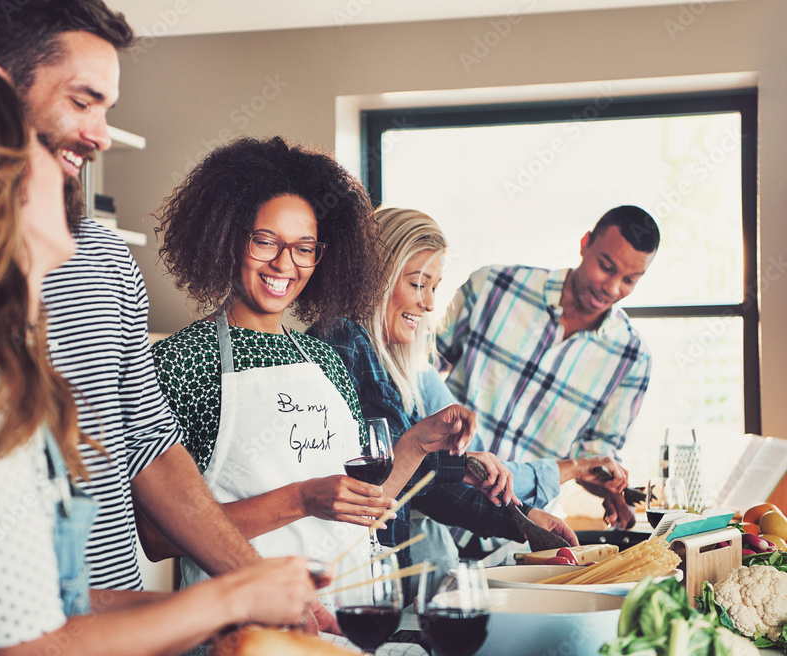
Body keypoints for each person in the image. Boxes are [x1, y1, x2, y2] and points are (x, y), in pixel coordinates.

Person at [0, 72, 317, 656]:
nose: (70, 165)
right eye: (38, 153)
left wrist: (235, 605)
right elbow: (26, 647)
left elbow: (40, 602)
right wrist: (228, 603)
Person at [146, 137, 481, 598]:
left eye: (304, 248)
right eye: (265, 241)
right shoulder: (184, 361)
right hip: (245, 633)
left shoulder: (324, 360)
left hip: (345, 622)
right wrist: (300, 500)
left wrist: (419, 442)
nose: (285, 264)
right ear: (226, 237)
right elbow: (157, 537)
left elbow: (367, 504)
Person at [309, 207, 577, 579]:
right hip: (345, 578)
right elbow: (369, 481)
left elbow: (419, 486)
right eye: (418, 284)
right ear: (375, 278)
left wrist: (524, 519)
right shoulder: (342, 342)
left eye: (434, 287)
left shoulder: (385, 362)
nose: (430, 303)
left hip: (377, 578)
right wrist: (455, 463)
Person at [434, 205, 659, 560]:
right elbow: (418, 374)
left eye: (630, 280)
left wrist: (610, 489)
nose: (612, 288)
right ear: (585, 243)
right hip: (438, 507)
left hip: (522, 534)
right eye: (606, 267)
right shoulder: (493, 287)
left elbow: (590, 457)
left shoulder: (632, 359)